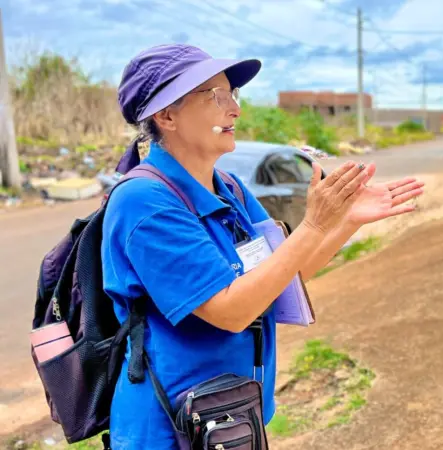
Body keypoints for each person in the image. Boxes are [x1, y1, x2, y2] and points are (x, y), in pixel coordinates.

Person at [102, 44, 424, 448]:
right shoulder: (144, 202)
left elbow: (285, 275)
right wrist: (313, 224)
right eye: (215, 96)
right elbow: (231, 310)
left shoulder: (228, 188)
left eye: (232, 95)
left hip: (231, 416)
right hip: (169, 430)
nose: (234, 110)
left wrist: (347, 221)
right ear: (166, 116)